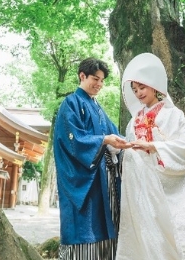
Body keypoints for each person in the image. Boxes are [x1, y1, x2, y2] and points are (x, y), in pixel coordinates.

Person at [116, 53, 185, 260]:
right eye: (134, 89)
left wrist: (154, 146)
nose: (138, 93)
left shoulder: (173, 115)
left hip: (163, 181)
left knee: (167, 226)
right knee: (142, 227)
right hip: (139, 184)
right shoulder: (134, 120)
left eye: (142, 87)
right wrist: (122, 147)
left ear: (155, 86)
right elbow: (132, 145)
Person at [54, 57, 131, 259]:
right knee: (85, 225)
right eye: (95, 79)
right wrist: (104, 140)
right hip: (84, 178)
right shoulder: (70, 103)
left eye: (102, 80)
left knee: (108, 221)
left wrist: (126, 143)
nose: (99, 84)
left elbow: (114, 134)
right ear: (82, 76)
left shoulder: (97, 108)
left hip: (104, 178)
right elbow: (74, 140)